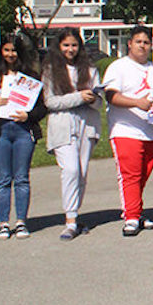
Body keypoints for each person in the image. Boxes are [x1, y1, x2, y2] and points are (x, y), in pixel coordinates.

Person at [0, 34, 47, 240]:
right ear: (1, 53)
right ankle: (4, 223)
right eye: (6, 50)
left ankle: (21, 221)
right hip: (0, 131)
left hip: (24, 131)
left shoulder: (31, 77)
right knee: (3, 179)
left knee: (22, 178)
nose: (10, 54)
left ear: (20, 52)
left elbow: (43, 107)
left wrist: (29, 115)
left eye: (14, 50)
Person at [102, 26, 153, 236]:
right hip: (125, 129)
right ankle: (130, 217)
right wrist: (136, 103)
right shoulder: (118, 67)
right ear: (129, 43)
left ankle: (136, 211)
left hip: (151, 132)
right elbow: (111, 96)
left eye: (146, 42)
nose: (142, 45)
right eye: (138, 41)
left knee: (143, 174)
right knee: (130, 175)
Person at [42, 28, 102, 240]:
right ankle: (69, 221)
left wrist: (92, 98)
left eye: (74, 45)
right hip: (62, 127)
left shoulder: (90, 69)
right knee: (71, 170)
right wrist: (78, 97)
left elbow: (99, 101)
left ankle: (75, 215)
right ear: (59, 46)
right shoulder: (50, 70)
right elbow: (50, 102)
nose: (70, 49)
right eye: (66, 45)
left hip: (87, 125)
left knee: (82, 173)